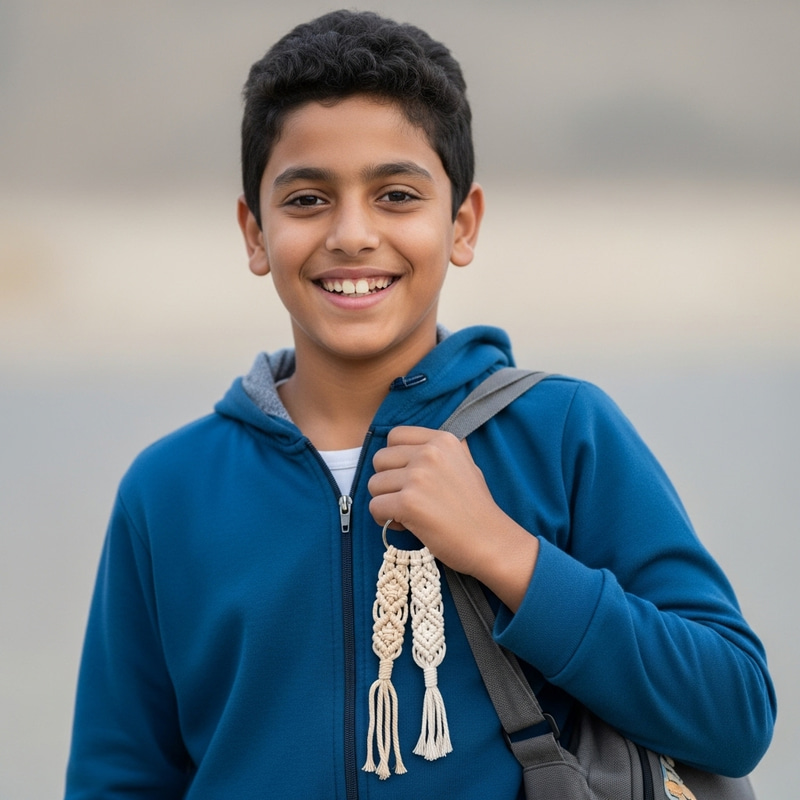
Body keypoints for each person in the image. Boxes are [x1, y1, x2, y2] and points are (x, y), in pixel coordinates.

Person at [65, 10, 776, 799]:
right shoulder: (168, 491)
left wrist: (506, 553)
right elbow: (118, 776)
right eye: (306, 200)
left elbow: (735, 712)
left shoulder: (564, 434)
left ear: (461, 223)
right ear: (254, 232)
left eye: (397, 194)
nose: (353, 234)